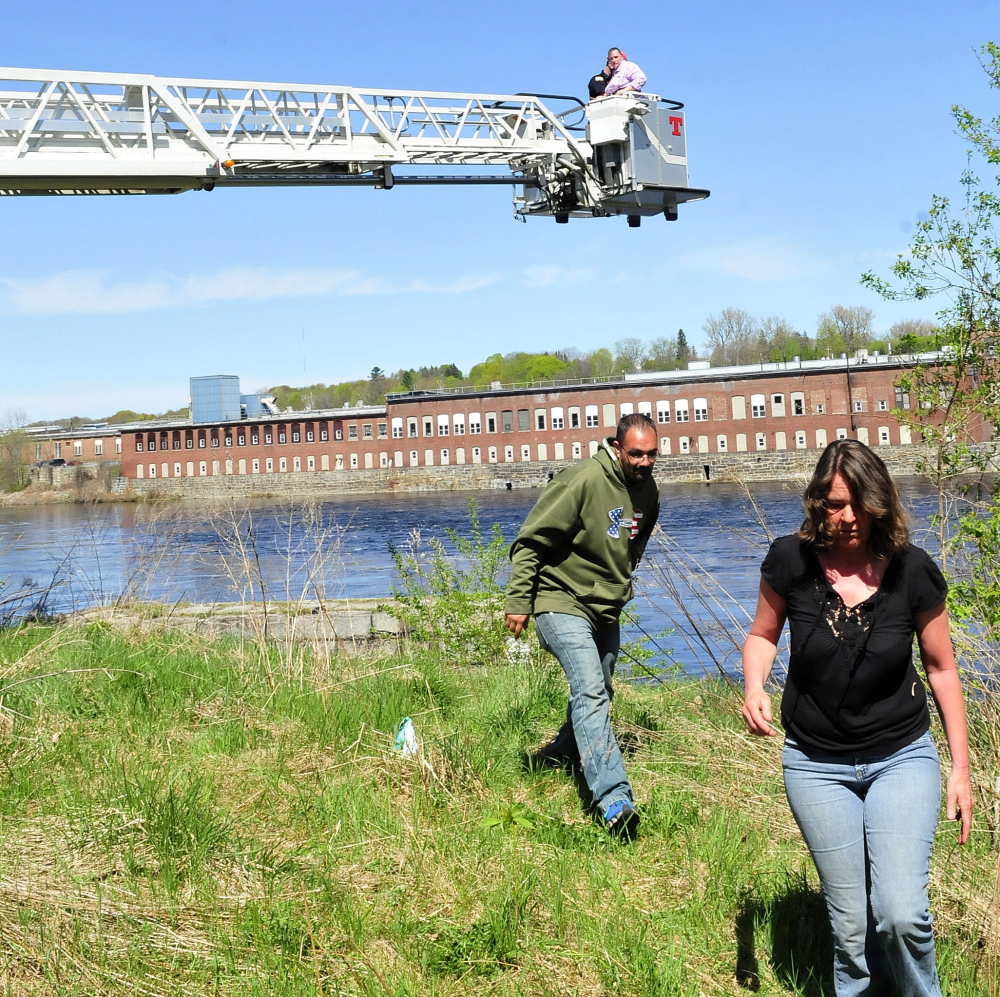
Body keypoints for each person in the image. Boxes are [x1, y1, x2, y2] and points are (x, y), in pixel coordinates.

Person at [741, 440, 973, 997]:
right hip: (815, 763)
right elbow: (761, 635)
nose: (842, 517)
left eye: (853, 504)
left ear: (879, 502)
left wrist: (961, 769)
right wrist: (754, 685)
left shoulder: (911, 572)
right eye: (830, 503)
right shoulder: (789, 561)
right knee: (849, 928)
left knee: (897, 913)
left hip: (901, 756)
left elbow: (942, 669)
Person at [504, 413, 660, 836]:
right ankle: (614, 799)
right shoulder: (583, 480)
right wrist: (519, 601)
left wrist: (620, 581)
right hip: (559, 599)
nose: (645, 462)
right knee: (590, 689)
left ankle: (559, 754)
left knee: (601, 689)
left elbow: (635, 542)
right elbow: (530, 542)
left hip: (604, 606)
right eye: (636, 454)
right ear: (616, 446)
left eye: (652, 454)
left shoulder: (648, 489)